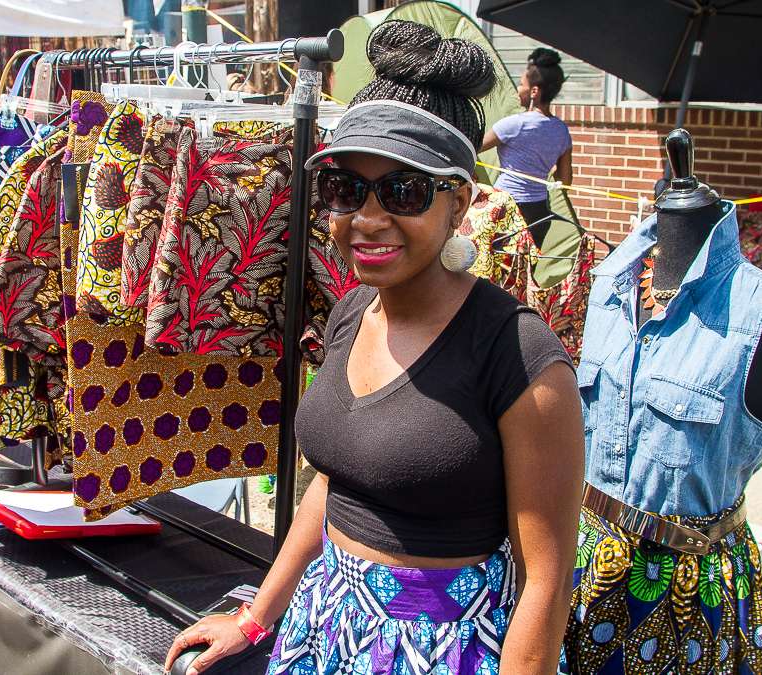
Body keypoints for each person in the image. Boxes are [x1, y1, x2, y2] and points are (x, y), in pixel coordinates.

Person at [164, 21, 584, 675]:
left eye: (404, 191)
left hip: (442, 651)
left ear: (460, 202)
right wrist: (256, 615)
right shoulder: (353, 310)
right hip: (325, 629)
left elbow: (546, 582)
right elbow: (333, 482)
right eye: (345, 188)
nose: (366, 216)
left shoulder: (520, 355)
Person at [481, 47, 573, 244]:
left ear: (534, 91)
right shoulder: (561, 131)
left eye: (521, 84)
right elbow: (564, 180)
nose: (518, 91)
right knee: (524, 272)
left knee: (494, 270)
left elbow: (471, 149)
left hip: (506, 207)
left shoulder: (515, 124)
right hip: (539, 212)